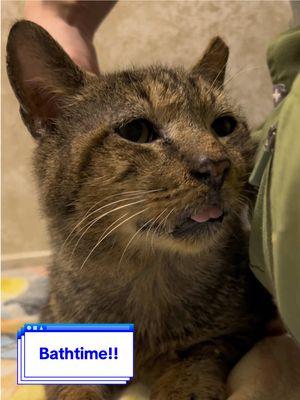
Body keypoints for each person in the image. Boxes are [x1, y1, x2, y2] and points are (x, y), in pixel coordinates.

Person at [24, 1, 300, 399]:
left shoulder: (236, 289)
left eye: (222, 126)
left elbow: (239, 329)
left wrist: (199, 361)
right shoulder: (72, 306)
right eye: (137, 130)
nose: (213, 159)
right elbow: (52, 358)